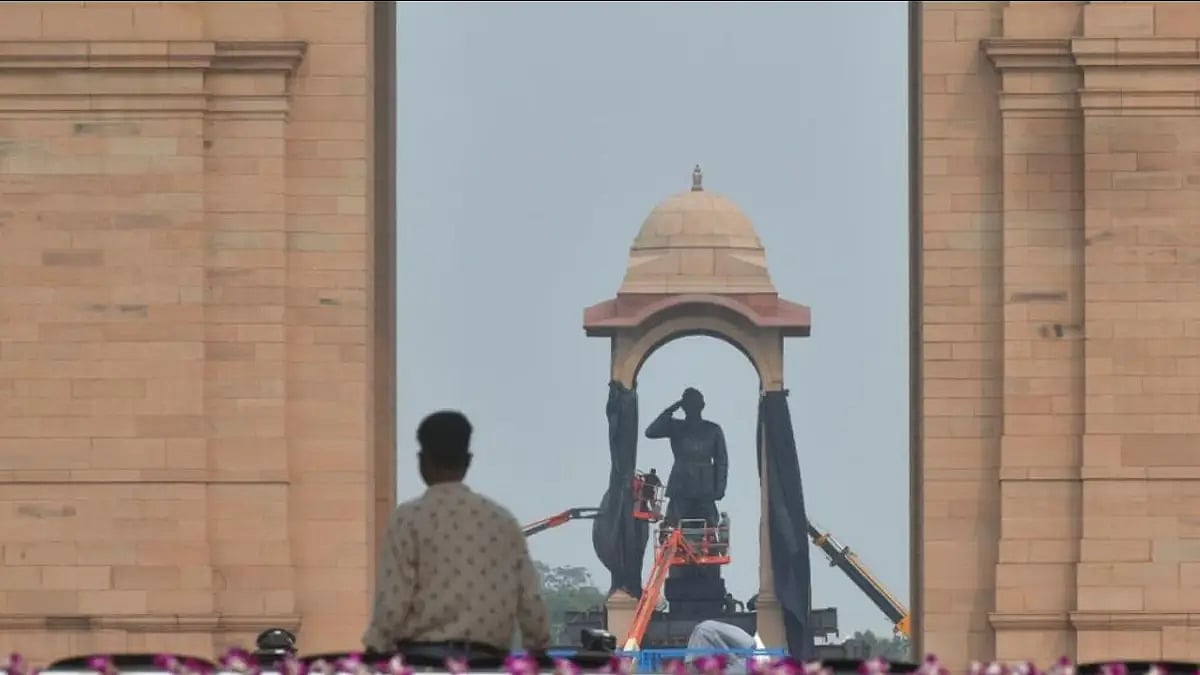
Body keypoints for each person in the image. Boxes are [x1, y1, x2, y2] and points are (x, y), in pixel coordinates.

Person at [363, 411, 551, 655]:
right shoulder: (503, 523)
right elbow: (532, 606)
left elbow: (392, 605)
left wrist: (373, 651)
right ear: (468, 460)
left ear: (422, 460)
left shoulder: (408, 520)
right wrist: (538, 651)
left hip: (422, 664)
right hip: (488, 665)